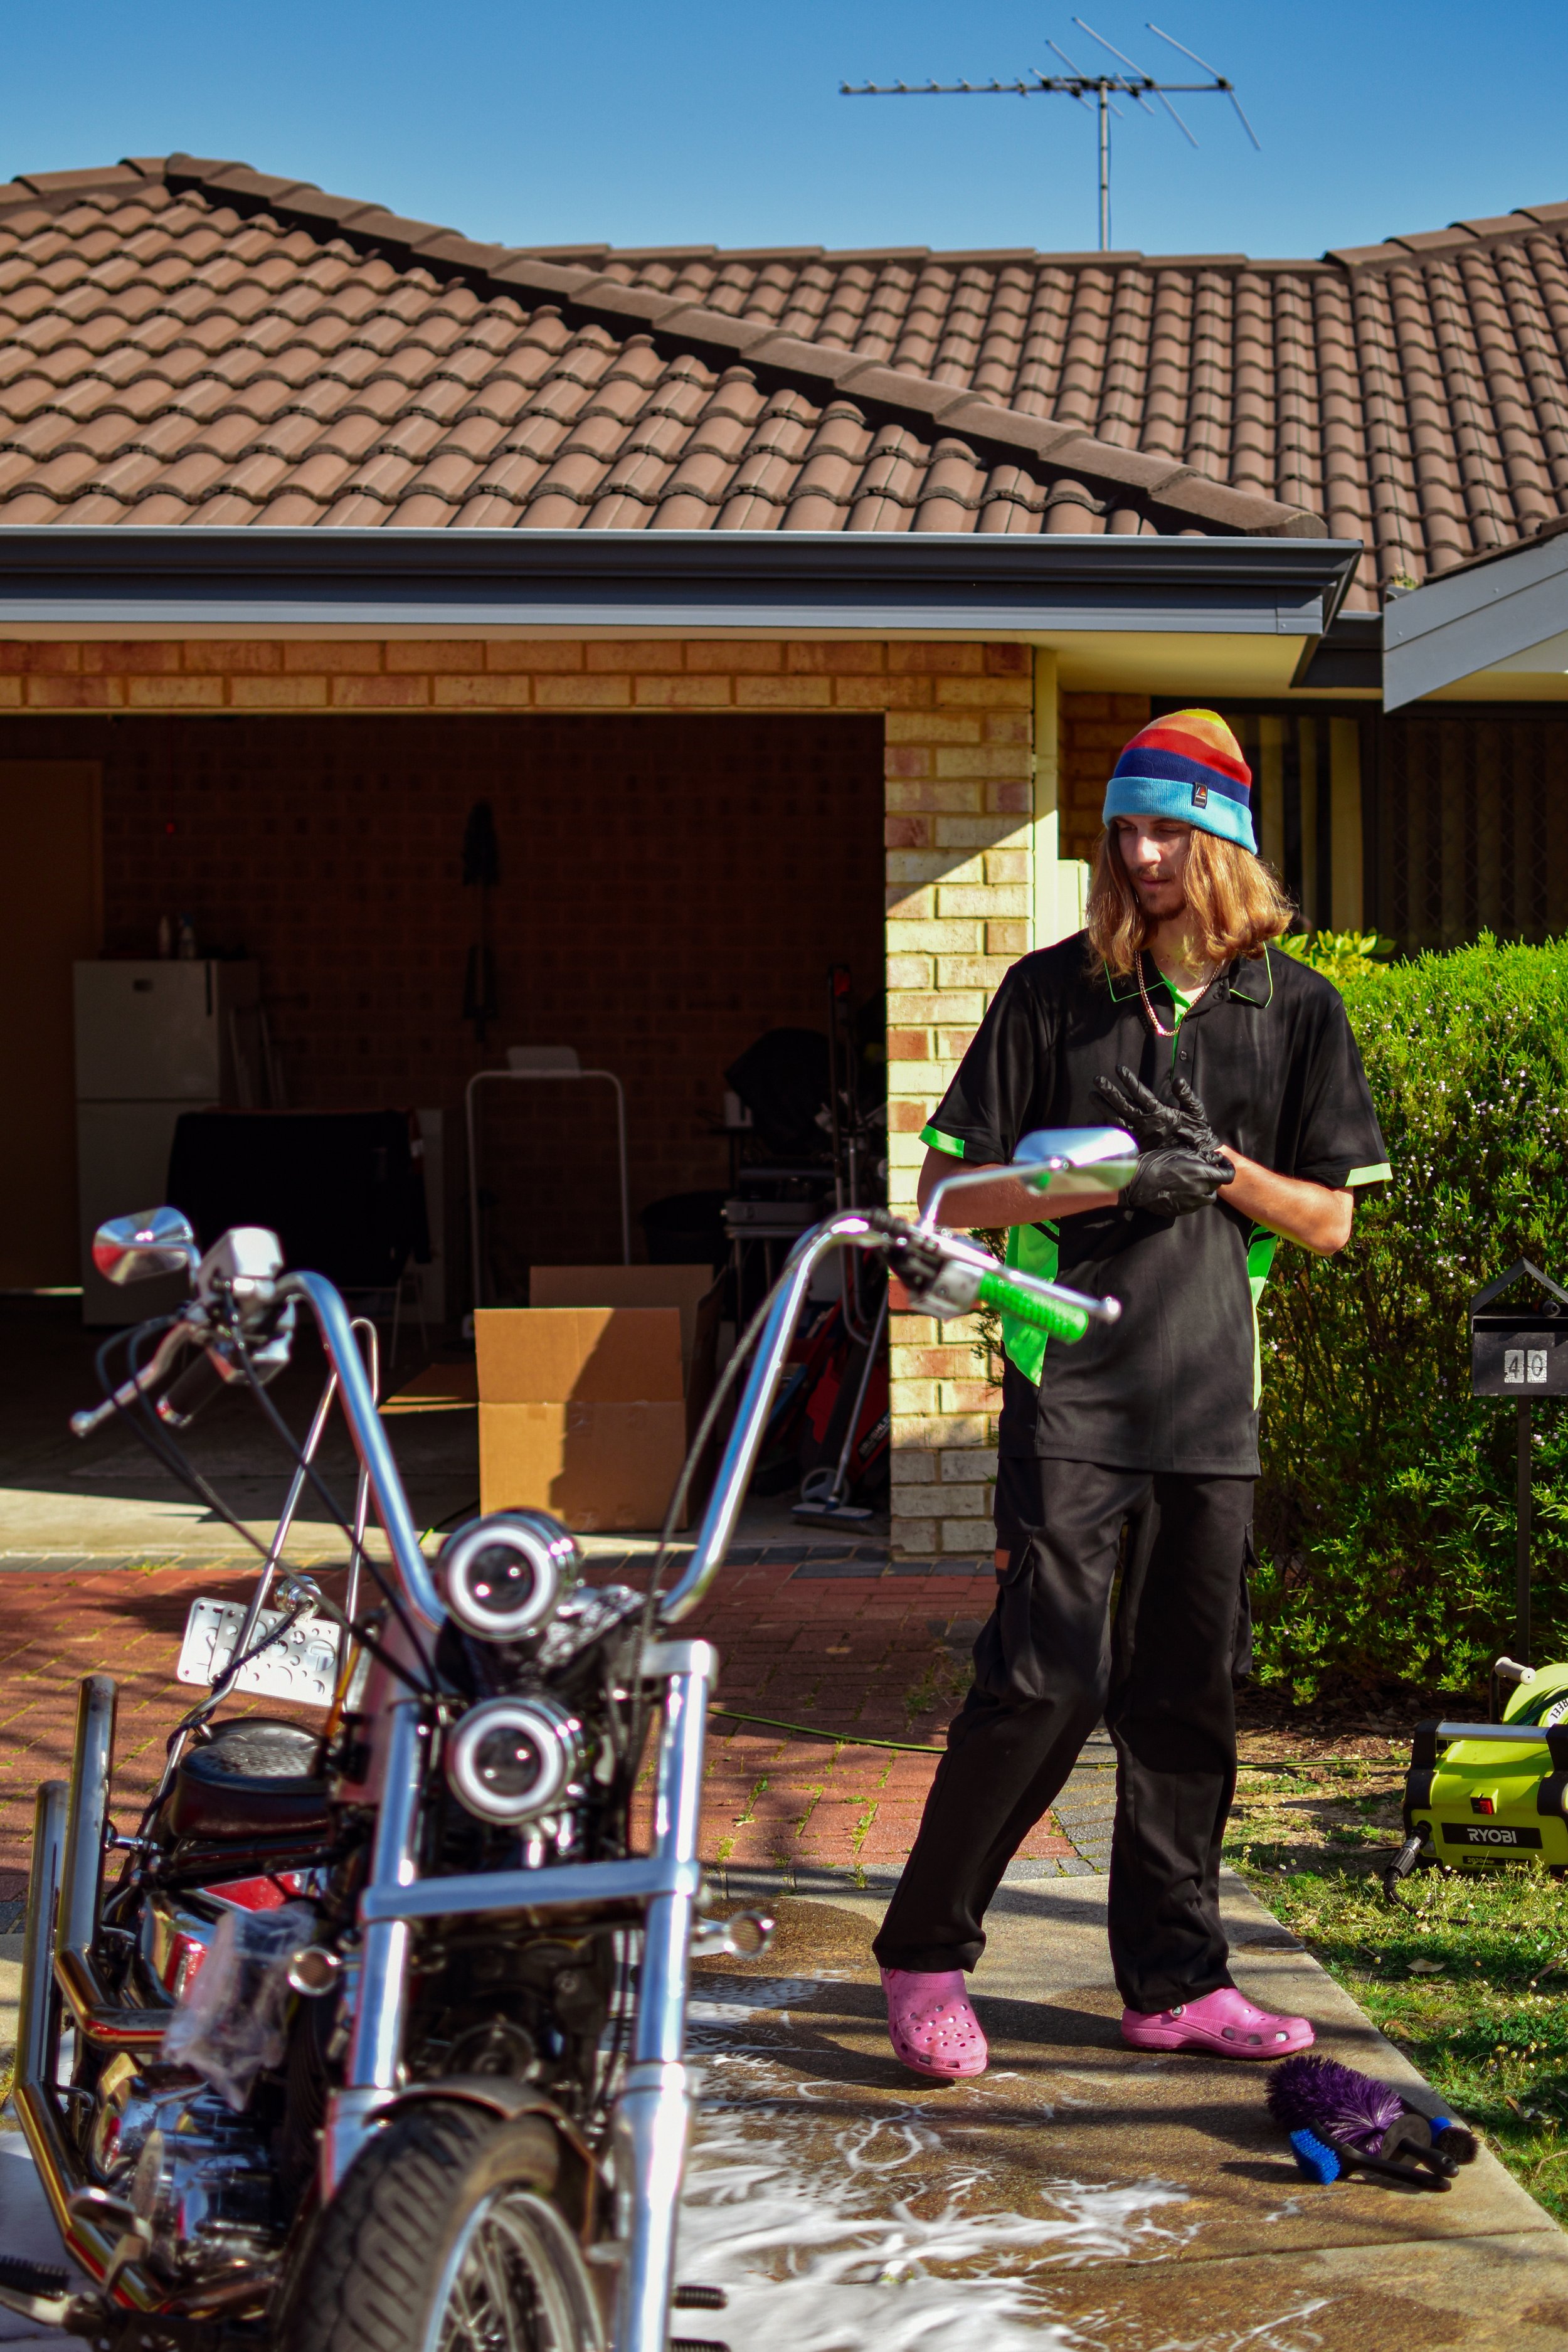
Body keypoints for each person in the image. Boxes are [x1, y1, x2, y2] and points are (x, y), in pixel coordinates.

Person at [873, 709, 1391, 2079]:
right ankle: (923, 1954)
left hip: (1208, 1401)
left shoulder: (1299, 1009)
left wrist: (1218, 1171)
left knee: (1182, 1701)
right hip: (1072, 1391)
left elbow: (1330, 1221)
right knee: (1041, 1681)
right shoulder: (1051, 996)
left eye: (1171, 830)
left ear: (1224, 843)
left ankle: (1173, 1983)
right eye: (1126, 831)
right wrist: (1099, 1175)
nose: (1144, 855)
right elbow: (944, 1202)